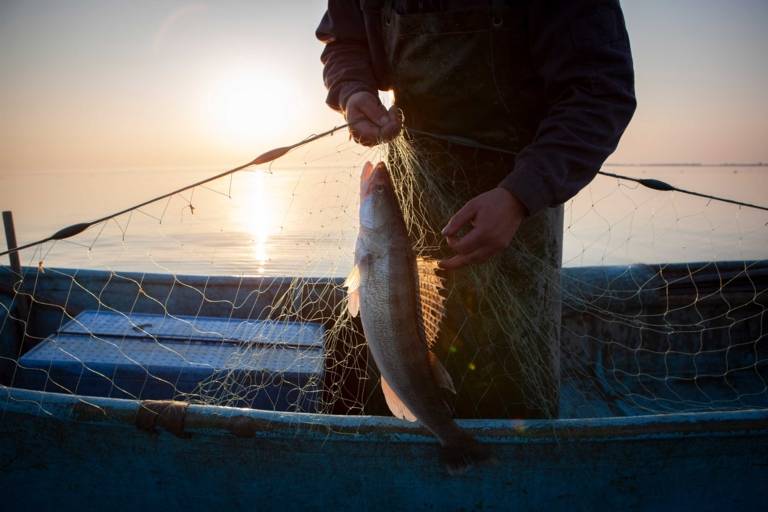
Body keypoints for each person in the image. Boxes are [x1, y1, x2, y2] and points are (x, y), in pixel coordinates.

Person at [317, 0, 636, 419]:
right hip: (410, 195)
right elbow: (345, 39)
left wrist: (520, 195)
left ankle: (487, 463)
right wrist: (353, 89)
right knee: (387, 371)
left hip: (516, 209)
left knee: (506, 385)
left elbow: (600, 91)